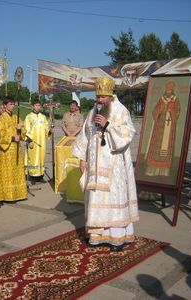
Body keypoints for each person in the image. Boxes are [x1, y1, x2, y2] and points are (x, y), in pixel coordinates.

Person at [72, 76, 139, 251]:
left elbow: (128, 133)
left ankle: (116, 237)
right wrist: (82, 158)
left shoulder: (120, 110)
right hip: (94, 166)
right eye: (97, 96)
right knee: (95, 198)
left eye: (103, 96)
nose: (99, 100)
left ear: (110, 95)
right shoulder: (93, 111)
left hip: (113, 166)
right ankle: (96, 236)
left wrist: (108, 125)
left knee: (113, 199)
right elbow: (85, 134)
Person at [145, 81, 181, 177]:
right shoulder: (161, 99)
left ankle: (163, 171)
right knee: (156, 148)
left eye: (169, 90)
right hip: (158, 127)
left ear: (172, 90)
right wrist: (158, 110)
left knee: (165, 149)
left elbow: (177, 113)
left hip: (168, 128)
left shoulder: (175, 100)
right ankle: (152, 169)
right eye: (167, 90)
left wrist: (171, 110)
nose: (168, 91)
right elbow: (155, 111)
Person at [0, 96, 28, 202]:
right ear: (4, 106)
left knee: (17, 170)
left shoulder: (16, 117)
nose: (12, 106)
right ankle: (9, 195)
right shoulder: (1, 119)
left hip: (17, 149)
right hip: (7, 150)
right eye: (10, 104)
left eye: (13, 104)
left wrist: (20, 129)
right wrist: (13, 138)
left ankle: (19, 193)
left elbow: (24, 131)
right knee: (8, 172)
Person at [24, 99, 53, 182]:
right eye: (36, 105)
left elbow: (46, 129)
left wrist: (50, 131)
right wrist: (29, 141)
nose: (38, 107)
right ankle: (32, 176)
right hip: (33, 142)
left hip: (41, 142)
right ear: (32, 106)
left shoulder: (43, 117)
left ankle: (40, 176)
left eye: (39, 105)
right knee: (32, 158)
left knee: (41, 158)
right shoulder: (28, 117)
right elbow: (26, 130)